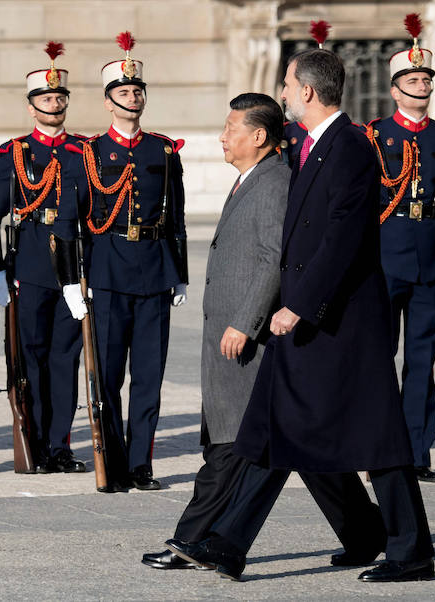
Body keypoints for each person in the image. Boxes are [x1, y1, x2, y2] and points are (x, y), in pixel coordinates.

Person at [168, 49, 435, 583]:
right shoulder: (312, 147)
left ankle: (410, 551)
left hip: (342, 322)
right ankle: (230, 544)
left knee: (376, 435)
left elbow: (343, 237)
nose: (284, 93)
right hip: (311, 318)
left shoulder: (351, 147)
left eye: (287, 85)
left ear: (308, 91)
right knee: (273, 426)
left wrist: (297, 304)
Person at [142, 93, 288, 569]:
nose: (223, 137)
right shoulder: (252, 178)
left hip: (243, 338)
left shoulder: (273, 182)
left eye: (231, 128)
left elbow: (271, 260)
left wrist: (245, 324)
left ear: (258, 136)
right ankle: (364, 529)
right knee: (302, 459)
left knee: (227, 446)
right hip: (227, 334)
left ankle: (189, 540)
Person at [52, 31, 187, 491]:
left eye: (138, 90)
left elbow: (177, 216)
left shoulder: (162, 150)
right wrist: (71, 282)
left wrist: (180, 273)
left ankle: (140, 464)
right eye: (124, 92)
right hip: (107, 272)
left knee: (149, 377)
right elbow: (67, 222)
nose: (133, 97)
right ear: (109, 101)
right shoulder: (86, 153)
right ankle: (111, 460)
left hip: (154, 271)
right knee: (107, 377)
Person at [365, 13, 435, 483]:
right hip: (385, 261)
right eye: (412, 78)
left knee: (422, 362)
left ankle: (416, 454)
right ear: (395, 88)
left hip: (433, 263)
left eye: (425, 78)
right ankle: (378, 449)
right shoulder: (373, 137)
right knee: (379, 358)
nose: (421, 85)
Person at [0, 42, 86, 474]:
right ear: (31, 106)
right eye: (46, 99)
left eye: (60, 98)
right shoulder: (15, 154)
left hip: (71, 271)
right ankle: (33, 441)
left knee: (66, 358)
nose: (54, 105)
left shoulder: (84, 151)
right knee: (31, 357)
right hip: (31, 267)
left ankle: (60, 445)